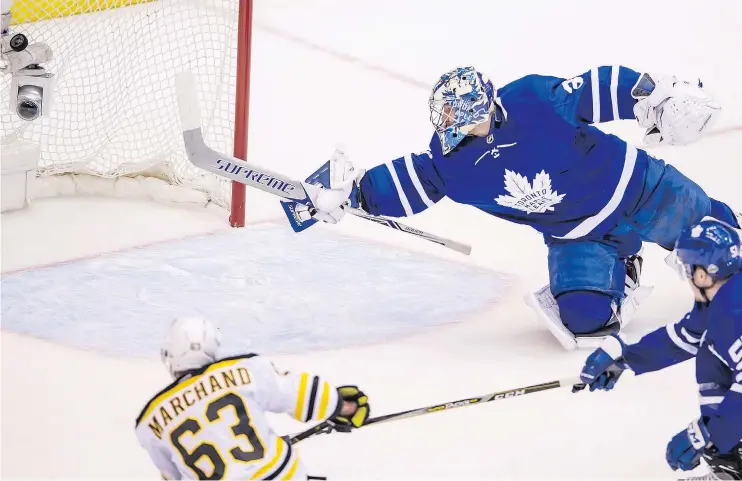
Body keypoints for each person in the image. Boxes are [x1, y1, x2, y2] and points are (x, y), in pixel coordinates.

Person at [292, 65, 740, 350]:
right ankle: (622, 265)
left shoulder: (533, 100)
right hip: (580, 236)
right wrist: (349, 194)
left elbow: (594, 88)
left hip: (638, 189)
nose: (452, 131)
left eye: (460, 120)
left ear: (483, 106)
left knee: (726, 254)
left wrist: (651, 94)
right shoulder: (450, 161)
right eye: (446, 123)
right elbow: (409, 182)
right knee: (585, 321)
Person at [576, 218, 742, 480]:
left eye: (687, 270)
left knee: (713, 361)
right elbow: (684, 337)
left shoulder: (733, 313)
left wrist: (709, 433)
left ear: (701, 274)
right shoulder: (723, 297)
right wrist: (625, 357)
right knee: (711, 353)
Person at [135, 316, 370, 480]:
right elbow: (302, 394)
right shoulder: (245, 370)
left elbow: (173, 475)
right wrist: (341, 406)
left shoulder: (150, 422)